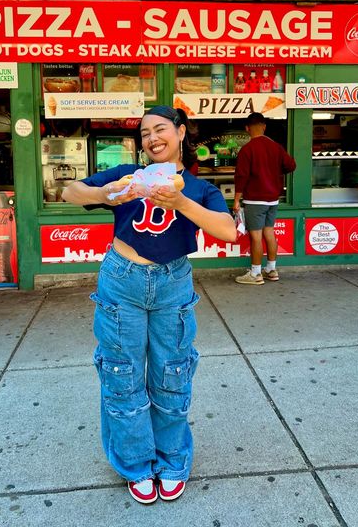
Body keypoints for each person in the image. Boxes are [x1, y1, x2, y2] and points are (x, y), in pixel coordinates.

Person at [62, 105, 236, 504]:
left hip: (173, 283)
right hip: (121, 278)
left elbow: (227, 230)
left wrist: (181, 204)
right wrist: (111, 192)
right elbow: (70, 192)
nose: (153, 138)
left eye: (161, 129)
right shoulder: (128, 174)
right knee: (122, 374)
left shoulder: (197, 187)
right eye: (145, 134)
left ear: (180, 132)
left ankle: (172, 458)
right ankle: (136, 463)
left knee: (172, 373)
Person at [233, 112, 296, 285]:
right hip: (272, 199)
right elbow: (291, 165)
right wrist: (273, 173)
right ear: (264, 126)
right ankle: (271, 269)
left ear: (247, 129)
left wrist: (237, 200)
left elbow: (241, 176)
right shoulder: (275, 147)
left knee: (256, 237)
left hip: (255, 200)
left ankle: (255, 273)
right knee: (269, 232)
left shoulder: (247, 149)